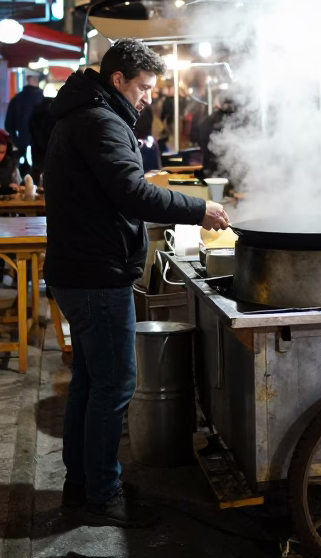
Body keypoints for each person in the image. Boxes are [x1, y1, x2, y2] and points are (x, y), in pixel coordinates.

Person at [46, 38, 230, 528]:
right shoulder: (101, 122)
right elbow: (130, 194)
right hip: (95, 274)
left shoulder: (84, 113)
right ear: (118, 81)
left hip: (79, 270)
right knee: (115, 384)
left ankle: (81, 484)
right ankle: (102, 495)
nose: (149, 98)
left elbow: (114, 186)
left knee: (89, 383)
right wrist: (198, 208)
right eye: (144, 88)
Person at [5, 74, 45, 174]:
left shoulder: (17, 99)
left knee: (18, 170)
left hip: (21, 143)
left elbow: (9, 124)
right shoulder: (43, 101)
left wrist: (16, 140)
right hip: (39, 145)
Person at [28, 96, 56, 182]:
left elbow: (30, 128)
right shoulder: (56, 113)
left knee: (37, 174)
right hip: (52, 151)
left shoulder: (36, 111)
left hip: (37, 151)